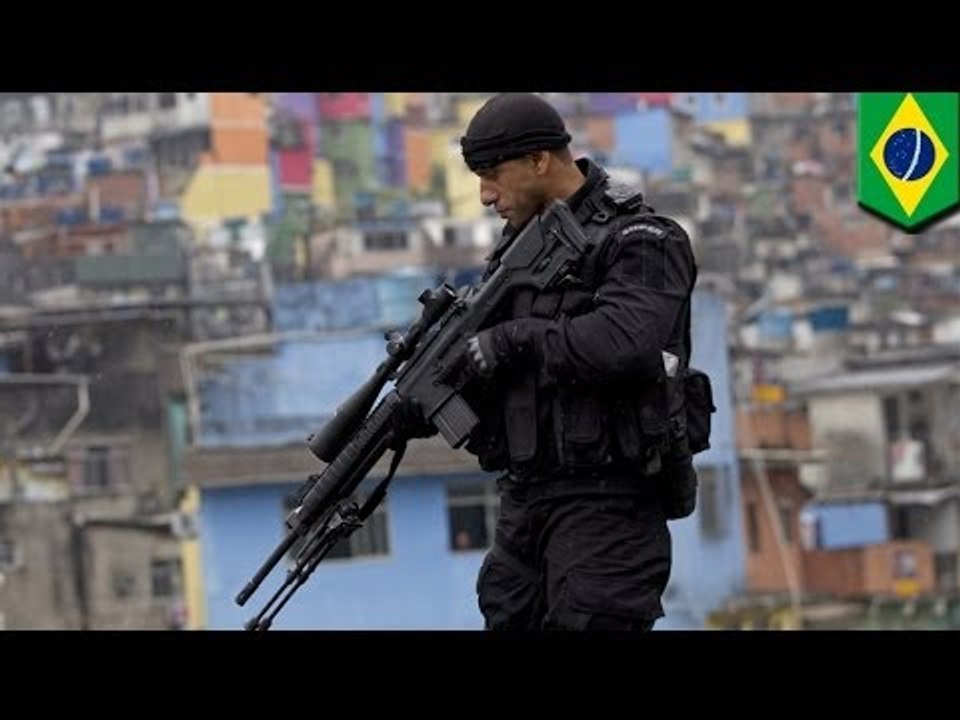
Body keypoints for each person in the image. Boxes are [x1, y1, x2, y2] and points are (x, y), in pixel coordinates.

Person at [449, 93, 700, 631]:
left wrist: (517, 339)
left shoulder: (641, 240)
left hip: (610, 506)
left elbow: (624, 340)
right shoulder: (517, 254)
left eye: (494, 174)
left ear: (540, 160)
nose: (485, 194)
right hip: (527, 503)